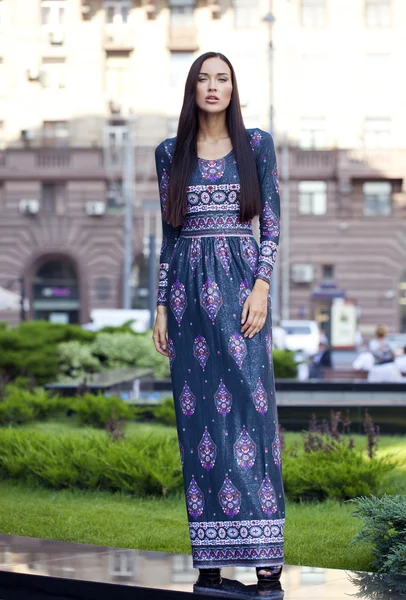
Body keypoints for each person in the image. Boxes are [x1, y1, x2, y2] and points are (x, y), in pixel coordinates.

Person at [152, 52, 284, 594]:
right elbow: (168, 235)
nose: (212, 87)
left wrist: (262, 285)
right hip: (185, 299)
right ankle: (210, 561)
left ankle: (265, 560)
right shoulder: (170, 153)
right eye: (203, 79)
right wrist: (160, 304)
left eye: (222, 79)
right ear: (192, 88)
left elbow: (271, 222)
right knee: (198, 424)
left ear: (233, 88)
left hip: (239, 289)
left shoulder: (256, 145)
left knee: (252, 420)